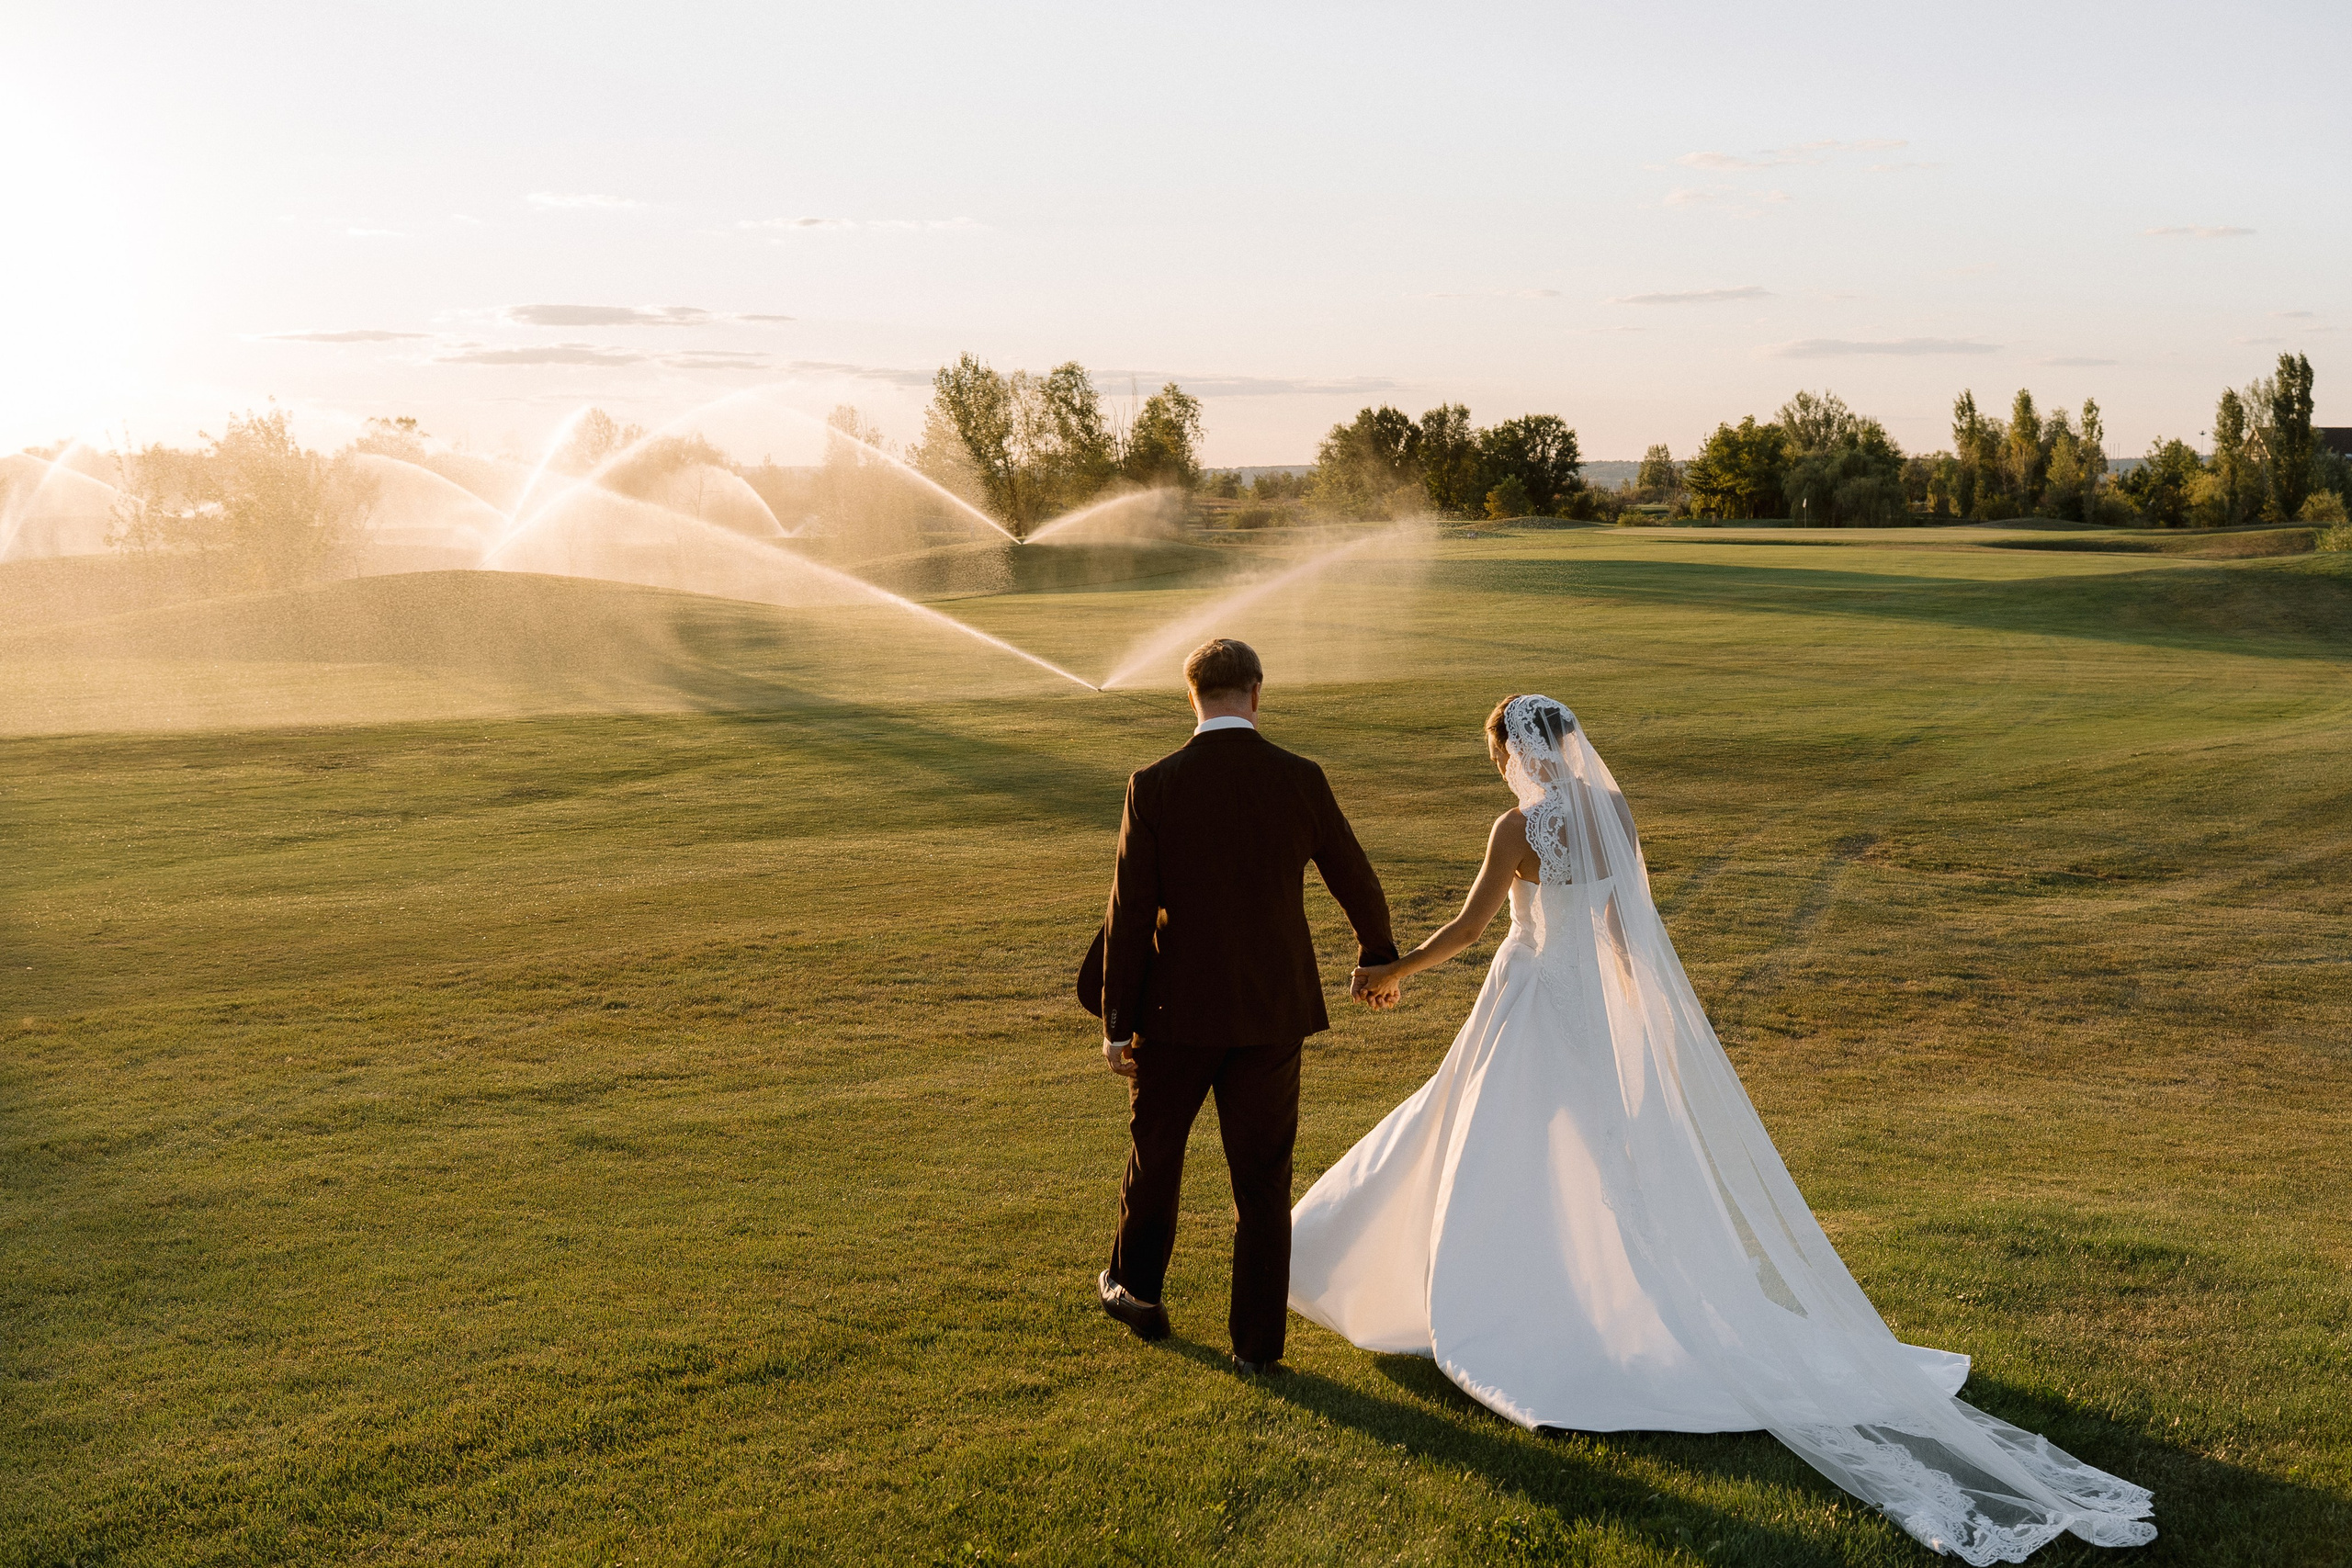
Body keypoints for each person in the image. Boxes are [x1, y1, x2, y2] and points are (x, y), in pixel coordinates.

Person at [1292, 694, 2155, 1563]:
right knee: (1582, 1158)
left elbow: (1474, 927)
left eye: (1497, 754)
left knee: (1487, 1147)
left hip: (1531, 1003)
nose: (1499, 767)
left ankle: (1502, 1301)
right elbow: (1629, 928)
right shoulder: (1615, 811)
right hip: (1592, 1012)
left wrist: (1393, 968)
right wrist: (1642, 1018)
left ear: (1515, 753)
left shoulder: (1516, 828)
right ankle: (1589, 1291)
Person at [1088, 637, 1397, 1374]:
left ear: (1190, 697)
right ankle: (1258, 1347)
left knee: (1155, 1154)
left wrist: (1115, 1026)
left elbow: (1128, 916)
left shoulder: (1154, 784)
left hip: (1173, 1015)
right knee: (1263, 1179)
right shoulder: (1299, 777)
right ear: (1256, 692)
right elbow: (1355, 876)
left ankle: (1137, 1292)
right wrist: (1378, 956)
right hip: (1271, 1010)